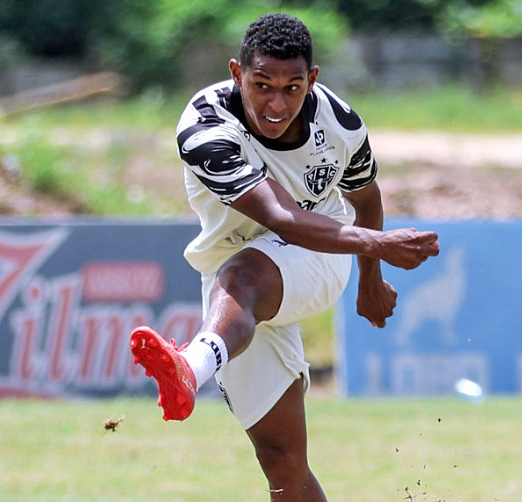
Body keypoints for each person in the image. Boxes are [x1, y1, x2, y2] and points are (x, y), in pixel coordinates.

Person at [129, 12, 440, 501]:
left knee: (245, 274)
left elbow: (366, 198)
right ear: (237, 74)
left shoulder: (341, 124)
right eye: (262, 86)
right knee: (283, 465)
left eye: (292, 88)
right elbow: (279, 216)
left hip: (318, 254)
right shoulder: (205, 126)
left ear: (311, 79)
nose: (277, 104)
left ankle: (191, 366)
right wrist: (377, 244)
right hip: (234, 285)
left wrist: (369, 280)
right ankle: (196, 364)